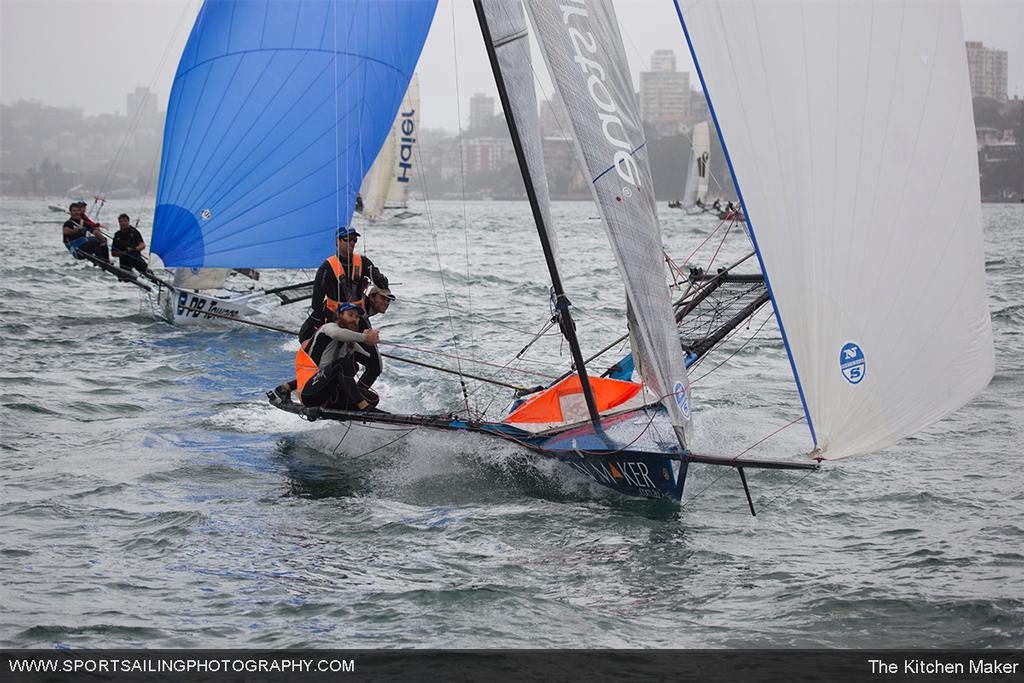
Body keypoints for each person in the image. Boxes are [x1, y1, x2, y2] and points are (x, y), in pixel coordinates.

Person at [297, 303, 382, 411]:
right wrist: (365, 338)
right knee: (341, 364)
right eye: (350, 315)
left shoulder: (349, 341)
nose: (354, 320)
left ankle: (352, 406)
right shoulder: (328, 327)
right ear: (339, 315)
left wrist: (371, 341)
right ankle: (363, 406)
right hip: (310, 392)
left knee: (372, 398)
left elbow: (372, 360)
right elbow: (336, 334)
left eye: (356, 317)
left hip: (329, 394)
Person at [353, 284, 395, 392]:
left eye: (388, 300)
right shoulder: (360, 308)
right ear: (371, 297)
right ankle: (357, 396)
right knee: (376, 366)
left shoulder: (365, 312)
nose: (386, 303)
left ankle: (356, 394)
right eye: (382, 298)